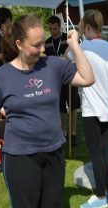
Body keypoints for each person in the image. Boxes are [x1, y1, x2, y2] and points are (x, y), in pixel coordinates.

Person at [0, 15, 94, 208]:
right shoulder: (0, 76)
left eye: (43, 42)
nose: (42, 49)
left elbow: (87, 78)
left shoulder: (53, 65)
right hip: (20, 158)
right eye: (36, 45)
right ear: (19, 44)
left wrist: (74, 45)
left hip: (54, 153)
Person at [66, 9, 108, 208]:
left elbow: (65, 56)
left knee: (96, 153)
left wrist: (77, 35)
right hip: (106, 106)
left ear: (86, 27)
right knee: (105, 151)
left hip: (91, 109)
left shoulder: (84, 47)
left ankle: (100, 195)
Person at [45, 15, 81, 146]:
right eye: (50, 29)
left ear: (59, 27)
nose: (52, 31)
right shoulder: (47, 41)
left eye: (54, 28)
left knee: (73, 106)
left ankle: (73, 133)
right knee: (60, 108)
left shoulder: (68, 39)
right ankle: (63, 131)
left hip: (70, 77)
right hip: (55, 80)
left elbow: (77, 54)